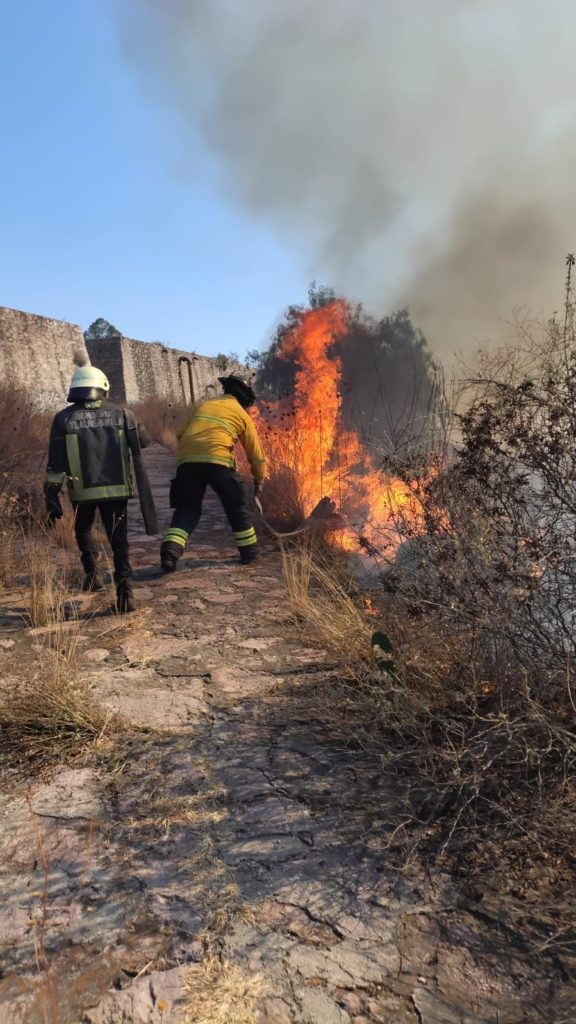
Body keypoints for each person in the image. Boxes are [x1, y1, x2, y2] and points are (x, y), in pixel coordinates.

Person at [44, 353, 152, 613]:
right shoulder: (124, 415)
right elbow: (145, 442)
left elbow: (55, 464)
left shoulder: (63, 419)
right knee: (119, 540)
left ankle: (92, 575)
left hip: (82, 491)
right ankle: (125, 589)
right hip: (117, 490)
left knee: (83, 529)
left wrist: (51, 495)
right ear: (102, 387)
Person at [160, 374, 266, 571]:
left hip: (187, 461)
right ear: (245, 399)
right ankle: (249, 553)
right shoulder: (242, 415)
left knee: (187, 509)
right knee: (235, 506)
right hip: (219, 461)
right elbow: (256, 455)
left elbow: (178, 431)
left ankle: (170, 551)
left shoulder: (204, 405)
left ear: (226, 390)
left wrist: (191, 449)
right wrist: (259, 480)